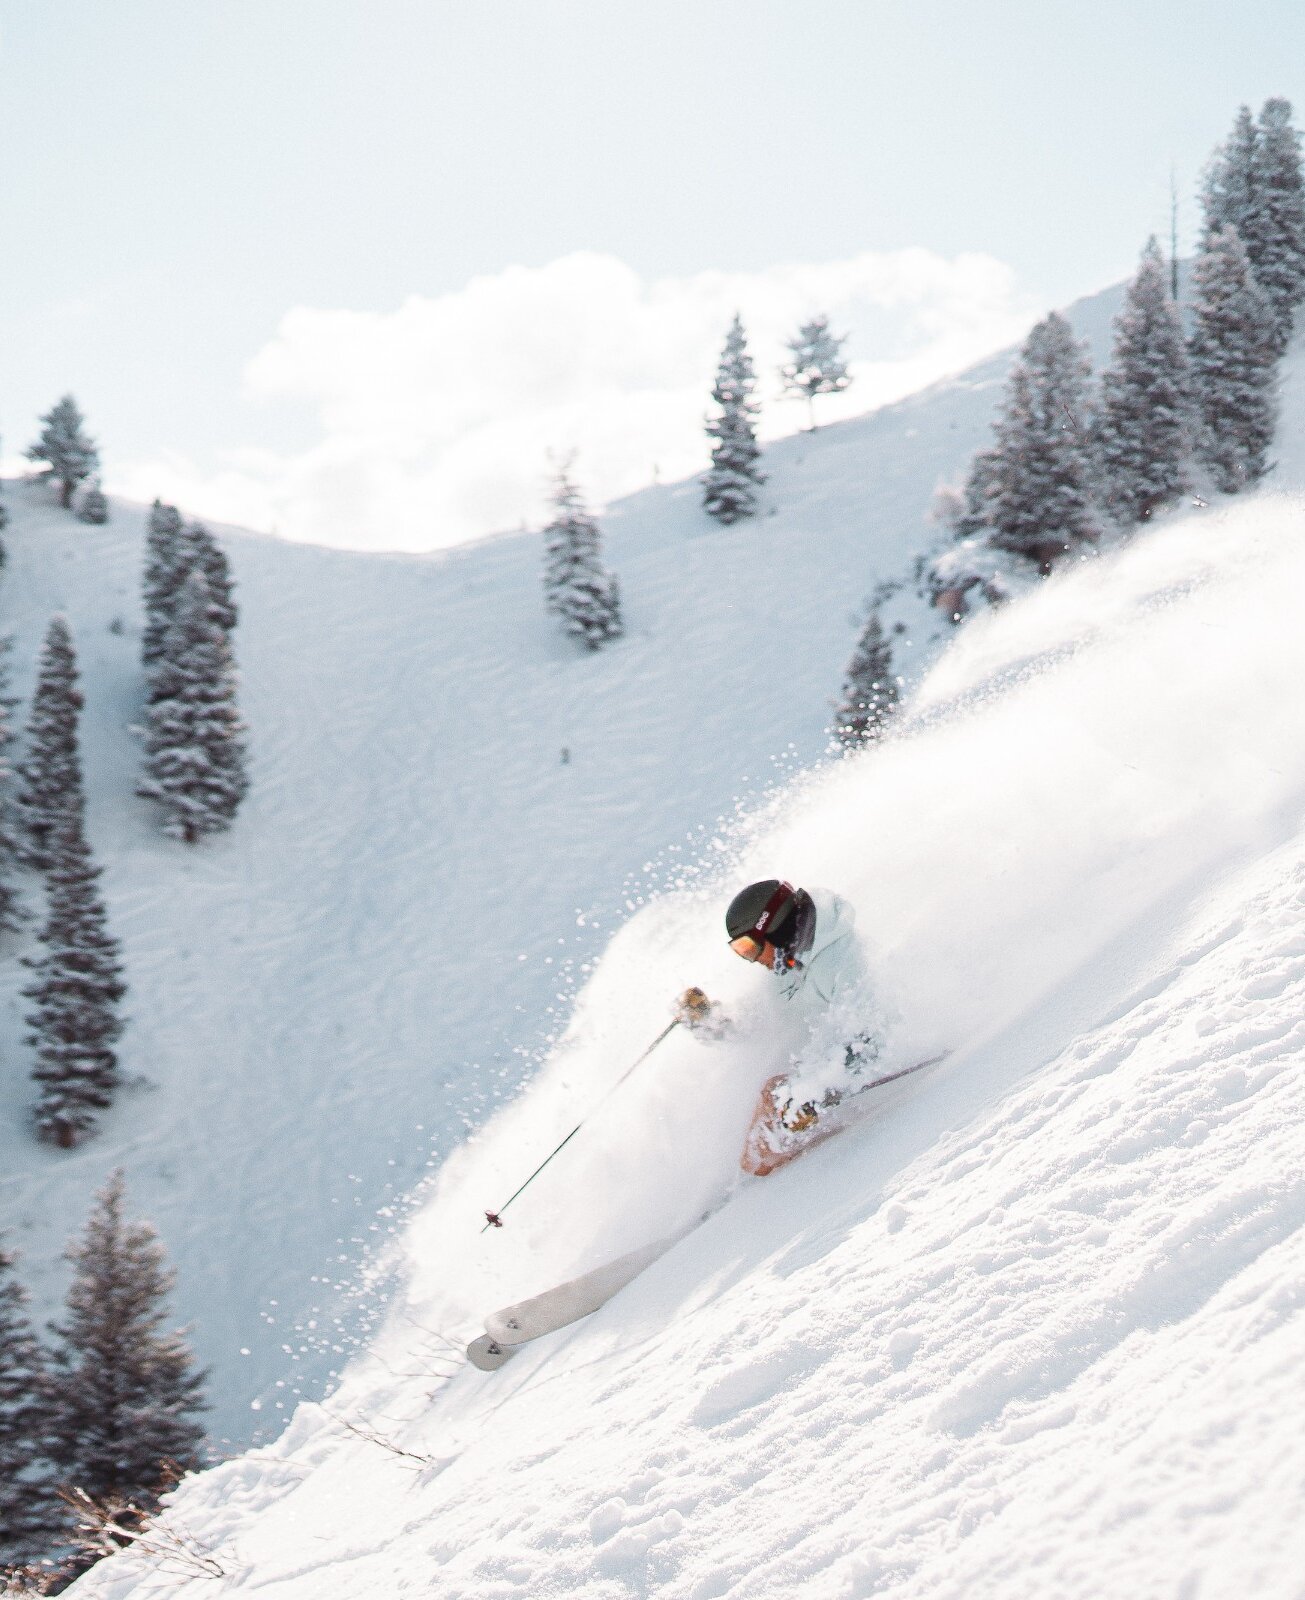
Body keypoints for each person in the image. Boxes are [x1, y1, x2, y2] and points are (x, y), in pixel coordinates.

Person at [679, 878, 876, 1175]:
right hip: (815, 1080)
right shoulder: (787, 967)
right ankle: (747, 1175)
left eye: (749, 948)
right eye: (741, 951)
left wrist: (818, 1093)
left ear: (773, 927)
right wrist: (707, 1020)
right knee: (766, 1101)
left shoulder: (843, 958)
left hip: (857, 1077)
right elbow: (755, 1025)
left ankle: (757, 1183)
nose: (752, 960)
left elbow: (869, 1035)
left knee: (772, 1098)